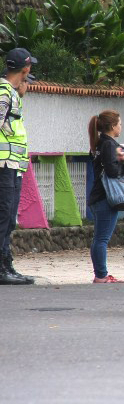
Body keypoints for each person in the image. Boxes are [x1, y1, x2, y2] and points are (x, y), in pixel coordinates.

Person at [0, 47, 36, 285]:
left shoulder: (11, 94)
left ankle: (6, 263)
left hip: (13, 166)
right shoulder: (4, 92)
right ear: (25, 68)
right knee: (3, 216)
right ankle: (2, 269)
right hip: (3, 165)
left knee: (9, 218)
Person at [87, 111, 124, 283]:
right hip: (105, 197)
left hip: (97, 196)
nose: (121, 127)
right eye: (119, 124)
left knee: (99, 238)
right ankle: (101, 275)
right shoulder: (109, 145)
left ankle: (101, 273)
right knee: (101, 239)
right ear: (112, 126)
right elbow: (113, 171)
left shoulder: (99, 144)